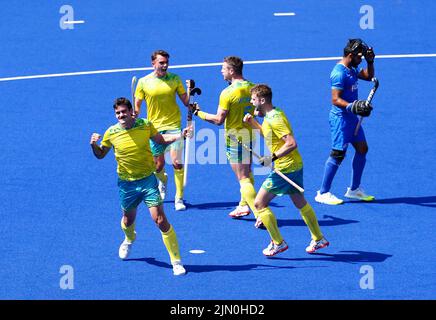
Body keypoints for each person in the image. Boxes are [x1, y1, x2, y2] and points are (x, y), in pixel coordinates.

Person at [90, 97, 190, 276]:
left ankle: (176, 262)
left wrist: (179, 135)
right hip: (126, 184)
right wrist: (93, 145)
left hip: (147, 181)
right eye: (117, 113)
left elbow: (160, 139)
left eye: (123, 112)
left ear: (130, 112)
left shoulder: (145, 125)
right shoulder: (111, 133)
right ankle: (129, 238)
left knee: (160, 220)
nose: (121, 115)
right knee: (128, 220)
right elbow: (100, 155)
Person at [244, 84, 329, 254]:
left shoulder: (275, 119)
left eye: (253, 100)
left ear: (262, 100)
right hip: (293, 165)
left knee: (259, 203)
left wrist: (271, 158)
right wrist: (253, 122)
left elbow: (291, 143)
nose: (252, 103)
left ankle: (278, 243)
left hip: (285, 168)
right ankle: (318, 238)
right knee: (300, 203)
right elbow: (268, 134)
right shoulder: (272, 115)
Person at [189, 56, 260, 224]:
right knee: (247, 172)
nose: (221, 71)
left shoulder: (227, 93)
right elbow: (257, 111)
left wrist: (198, 112)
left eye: (223, 68)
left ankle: (260, 214)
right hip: (250, 135)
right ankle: (243, 205)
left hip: (235, 140)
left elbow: (218, 120)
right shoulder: (253, 88)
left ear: (231, 71)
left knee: (243, 177)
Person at [315, 38, 375, 205]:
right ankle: (323, 192)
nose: (361, 59)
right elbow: (335, 99)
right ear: (350, 55)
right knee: (338, 154)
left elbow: (369, 76)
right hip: (341, 120)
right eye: (360, 56)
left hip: (351, 118)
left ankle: (354, 190)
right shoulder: (339, 73)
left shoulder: (352, 68)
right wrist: (353, 107)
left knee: (362, 149)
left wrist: (370, 62)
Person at [134, 50, 191, 211]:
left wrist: (190, 93)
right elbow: (137, 107)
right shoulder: (143, 82)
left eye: (166, 62)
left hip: (174, 126)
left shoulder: (175, 79)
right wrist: (134, 115)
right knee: (158, 166)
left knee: (177, 162)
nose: (165, 65)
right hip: (154, 128)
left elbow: (186, 102)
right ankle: (163, 180)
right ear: (153, 63)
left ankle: (179, 198)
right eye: (161, 63)